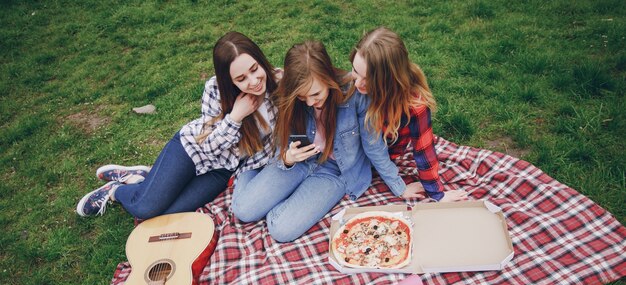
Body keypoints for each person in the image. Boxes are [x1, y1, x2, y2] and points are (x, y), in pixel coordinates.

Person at [231, 41, 422, 243]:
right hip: (298, 161)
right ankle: (250, 173)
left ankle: (277, 198)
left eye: (315, 94)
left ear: (328, 79)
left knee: (281, 230)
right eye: (303, 98)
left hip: (334, 171)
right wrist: (287, 158)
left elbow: (373, 145)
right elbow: (283, 135)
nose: (310, 102)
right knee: (243, 211)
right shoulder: (293, 95)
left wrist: (399, 186)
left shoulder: (356, 95)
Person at [76, 31, 280, 219]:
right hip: (193, 150)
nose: (254, 81)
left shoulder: (279, 87)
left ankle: (142, 179)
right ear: (229, 80)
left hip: (222, 170)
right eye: (241, 78)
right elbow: (209, 146)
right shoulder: (216, 90)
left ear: (260, 60)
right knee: (144, 209)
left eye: (254, 69)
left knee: (167, 214)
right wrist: (235, 117)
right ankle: (116, 191)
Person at [350, 27, 468, 202]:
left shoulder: (414, 106)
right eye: (355, 71)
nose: (358, 83)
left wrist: (437, 194)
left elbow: (423, 150)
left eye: (368, 79)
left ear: (389, 79)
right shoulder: (354, 90)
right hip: (350, 158)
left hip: (379, 161)